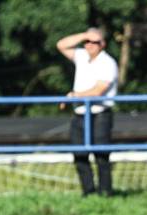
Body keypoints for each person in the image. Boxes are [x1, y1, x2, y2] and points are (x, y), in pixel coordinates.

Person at [56, 27, 118, 196]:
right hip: (80, 113)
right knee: (79, 154)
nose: (89, 45)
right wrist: (84, 34)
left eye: (94, 41)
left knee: (101, 156)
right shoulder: (82, 56)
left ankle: (105, 193)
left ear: (102, 44)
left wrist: (74, 96)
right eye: (87, 42)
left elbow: (99, 90)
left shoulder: (108, 62)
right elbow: (61, 45)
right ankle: (88, 192)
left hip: (100, 114)